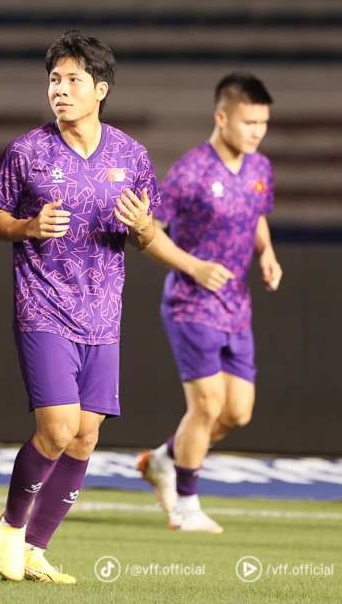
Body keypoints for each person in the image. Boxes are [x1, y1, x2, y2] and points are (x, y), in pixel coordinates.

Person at [0, 30, 159, 584]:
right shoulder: (27, 152)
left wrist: (143, 227)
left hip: (104, 315)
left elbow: (148, 233)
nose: (60, 90)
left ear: (100, 88)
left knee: (85, 436)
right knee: (57, 428)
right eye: (54, 80)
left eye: (73, 80)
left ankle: (36, 548)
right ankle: (10, 528)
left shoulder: (132, 156)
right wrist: (29, 226)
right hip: (43, 306)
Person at [136, 72, 281, 533]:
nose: (257, 131)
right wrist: (193, 267)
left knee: (237, 412)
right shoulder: (191, 171)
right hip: (191, 303)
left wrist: (268, 253)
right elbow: (147, 231)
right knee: (208, 405)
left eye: (263, 122)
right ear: (222, 118)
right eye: (249, 121)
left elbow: (256, 216)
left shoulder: (260, 168)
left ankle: (162, 460)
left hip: (237, 307)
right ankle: (186, 504)